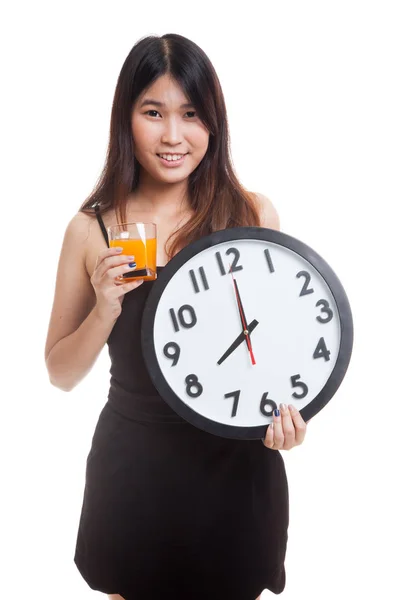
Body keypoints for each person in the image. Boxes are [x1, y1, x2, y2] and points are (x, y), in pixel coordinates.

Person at [44, 33, 307, 600]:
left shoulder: (251, 214)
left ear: (212, 122)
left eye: (190, 114)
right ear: (126, 119)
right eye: (153, 112)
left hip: (236, 471)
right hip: (134, 472)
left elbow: (276, 347)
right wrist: (105, 307)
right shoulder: (95, 230)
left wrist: (288, 415)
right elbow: (60, 373)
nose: (172, 136)